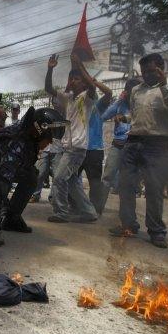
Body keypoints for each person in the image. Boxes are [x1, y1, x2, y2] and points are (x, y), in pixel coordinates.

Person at [110, 53, 168, 248]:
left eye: (151, 71)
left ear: (161, 68)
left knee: (154, 189)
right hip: (133, 141)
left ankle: (156, 231)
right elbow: (139, 116)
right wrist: (125, 120)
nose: (146, 75)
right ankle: (128, 225)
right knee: (125, 185)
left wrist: (163, 86)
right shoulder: (136, 90)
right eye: (143, 71)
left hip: (157, 144)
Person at [0, 107, 68, 247]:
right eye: (49, 138)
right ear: (40, 131)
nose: (50, 143)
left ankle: (12, 219)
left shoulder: (30, 138)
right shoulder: (16, 142)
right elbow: (2, 181)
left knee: (31, 176)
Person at [46, 53, 112, 223]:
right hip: (68, 147)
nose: (73, 81)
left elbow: (91, 86)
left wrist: (79, 65)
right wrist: (50, 69)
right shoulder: (68, 99)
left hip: (77, 148)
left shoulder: (87, 98)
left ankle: (61, 212)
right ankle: (89, 212)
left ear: (83, 82)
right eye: (72, 79)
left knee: (60, 178)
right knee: (73, 181)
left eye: (77, 79)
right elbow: (49, 89)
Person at [99, 78, 139, 207]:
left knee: (128, 183)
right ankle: (97, 209)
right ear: (126, 92)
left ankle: (126, 216)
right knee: (106, 178)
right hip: (117, 146)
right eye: (129, 92)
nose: (131, 95)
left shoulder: (141, 106)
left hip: (132, 148)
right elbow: (104, 116)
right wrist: (117, 101)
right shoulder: (119, 104)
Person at [79, 75, 113, 215]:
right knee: (72, 179)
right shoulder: (79, 103)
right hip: (78, 148)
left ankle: (94, 209)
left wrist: (94, 82)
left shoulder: (97, 105)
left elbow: (109, 93)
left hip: (94, 149)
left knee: (94, 182)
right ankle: (81, 206)